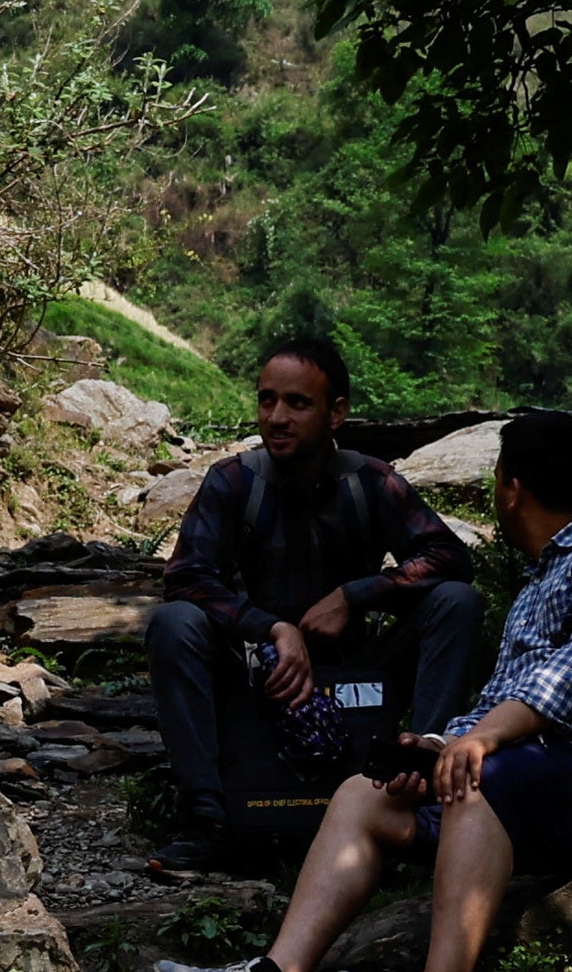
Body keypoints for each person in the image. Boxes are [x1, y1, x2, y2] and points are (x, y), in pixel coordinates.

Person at [156, 409, 572, 972]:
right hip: (547, 772)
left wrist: (469, 748)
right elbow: (508, 701)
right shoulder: (543, 581)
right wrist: (441, 745)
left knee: (476, 779)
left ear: (510, 486)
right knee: (365, 795)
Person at [143, 339, 480, 871]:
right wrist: (272, 627)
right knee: (174, 622)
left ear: (336, 413)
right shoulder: (234, 482)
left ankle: (423, 779)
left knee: (456, 602)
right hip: (259, 673)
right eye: (266, 400)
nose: (276, 417)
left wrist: (356, 593)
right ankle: (206, 819)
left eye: (297, 403)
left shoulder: (371, 481)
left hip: (358, 665)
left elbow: (448, 557)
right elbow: (187, 577)